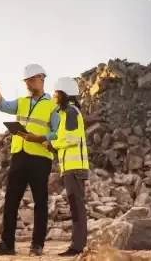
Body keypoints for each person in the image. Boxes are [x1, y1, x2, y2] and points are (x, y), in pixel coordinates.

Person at [0, 64, 61, 256]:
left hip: (40, 159)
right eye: (26, 80)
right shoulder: (21, 102)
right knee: (11, 200)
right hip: (19, 156)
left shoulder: (52, 106)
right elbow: (3, 106)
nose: (28, 83)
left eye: (31, 80)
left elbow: (57, 132)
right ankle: (7, 245)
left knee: (40, 203)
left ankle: (37, 245)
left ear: (41, 79)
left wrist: (39, 138)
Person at [43, 77, 90, 257]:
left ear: (64, 94)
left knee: (77, 207)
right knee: (75, 207)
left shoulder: (70, 112)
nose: (54, 96)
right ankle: (77, 245)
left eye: (56, 93)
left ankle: (77, 247)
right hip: (71, 168)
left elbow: (71, 139)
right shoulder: (66, 113)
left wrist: (52, 145)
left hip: (75, 168)